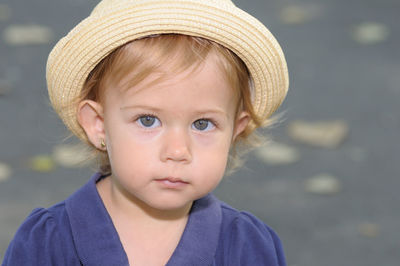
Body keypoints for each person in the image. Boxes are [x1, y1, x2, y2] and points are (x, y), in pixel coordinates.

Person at [2, 0, 289, 265]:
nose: (177, 151)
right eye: (148, 120)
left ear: (235, 131)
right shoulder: (46, 243)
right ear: (98, 123)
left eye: (202, 124)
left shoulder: (248, 247)